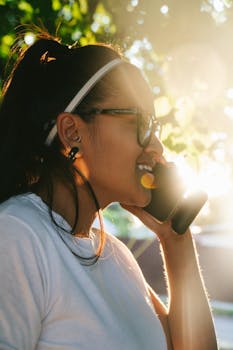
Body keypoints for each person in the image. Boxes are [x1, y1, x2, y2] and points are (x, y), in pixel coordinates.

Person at [0, 30, 218, 350]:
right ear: (73, 131)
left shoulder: (116, 256)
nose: (157, 147)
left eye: (155, 128)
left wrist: (176, 239)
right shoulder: (18, 234)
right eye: (141, 124)